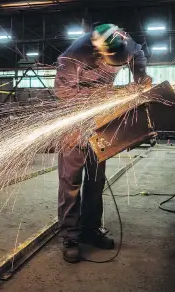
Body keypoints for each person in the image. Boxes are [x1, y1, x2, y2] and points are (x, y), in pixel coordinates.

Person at [54, 23, 153, 263]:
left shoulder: (121, 39)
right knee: (71, 181)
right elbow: (63, 95)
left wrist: (140, 79)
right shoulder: (72, 58)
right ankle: (70, 235)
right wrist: (114, 95)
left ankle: (90, 228)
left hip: (102, 119)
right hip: (73, 120)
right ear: (98, 50)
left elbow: (137, 53)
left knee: (96, 179)